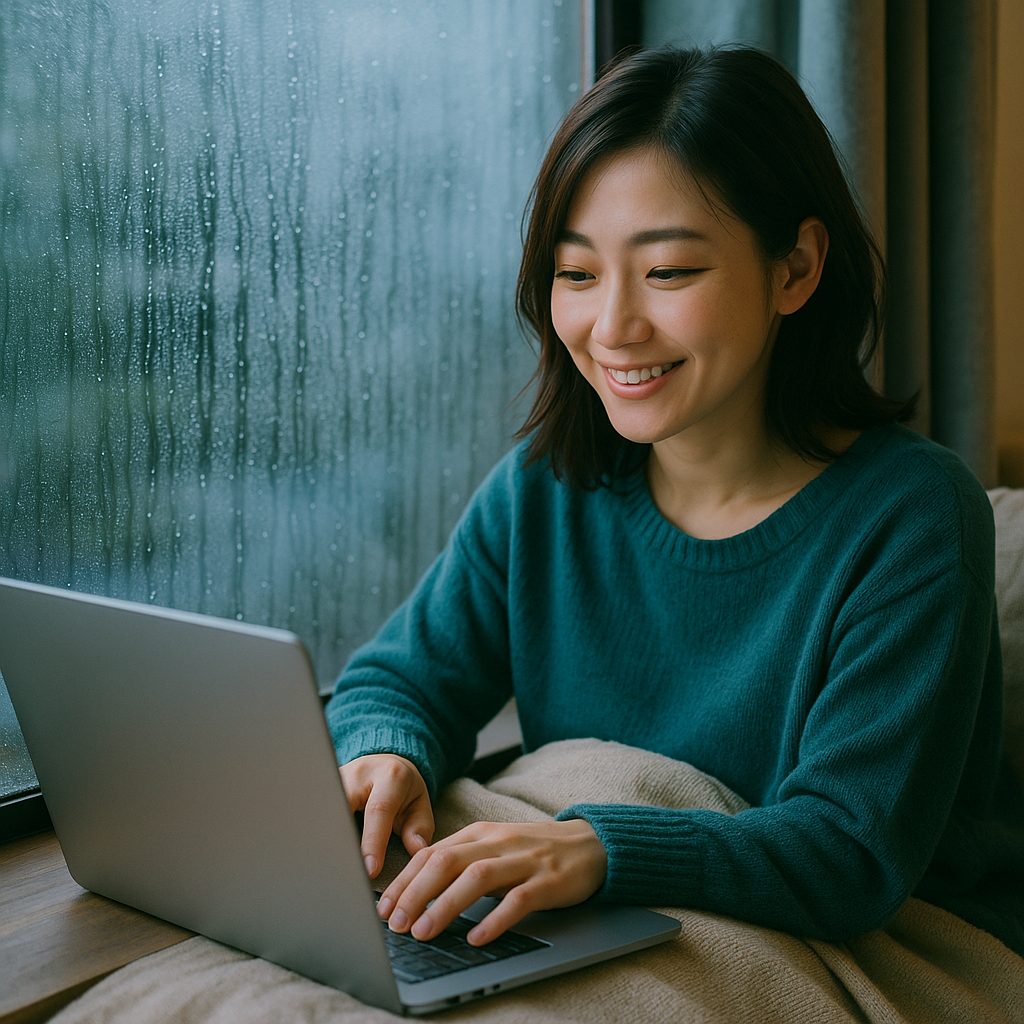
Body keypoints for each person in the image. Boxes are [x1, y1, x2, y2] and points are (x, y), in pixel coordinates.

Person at [325, 45, 1024, 957]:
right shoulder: (546, 488)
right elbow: (396, 678)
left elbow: (849, 850)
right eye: (577, 274)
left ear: (796, 268)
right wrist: (386, 754)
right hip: (620, 920)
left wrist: (594, 847)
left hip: (882, 946)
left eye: (668, 272)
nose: (612, 328)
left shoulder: (916, 517)